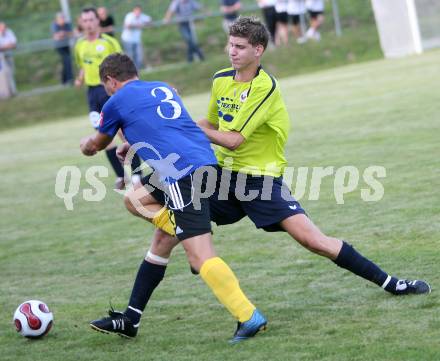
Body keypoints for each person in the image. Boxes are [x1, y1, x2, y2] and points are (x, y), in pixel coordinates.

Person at [115, 16, 431, 342]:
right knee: (143, 206)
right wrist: (148, 135)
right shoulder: (222, 79)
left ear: (258, 50)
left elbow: (234, 139)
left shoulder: (265, 87)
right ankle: (131, 318)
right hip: (218, 176)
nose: (232, 52)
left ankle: (391, 282)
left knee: (313, 241)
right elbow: (207, 121)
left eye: (240, 47)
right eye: (230, 45)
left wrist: (184, 131)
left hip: (259, 181)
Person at [82, 53, 266, 343]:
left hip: (183, 173)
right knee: (136, 201)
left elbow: (98, 142)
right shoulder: (163, 88)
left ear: (110, 80)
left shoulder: (114, 101)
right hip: (200, 164)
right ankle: (131, 319)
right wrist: (131, 142)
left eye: (106, 86)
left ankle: (248, 316)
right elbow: (166, 125)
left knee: (200, 255)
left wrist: (87, 146)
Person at [74, 7, 141, 189]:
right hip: (93, 94)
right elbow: (83, 65)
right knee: (102, 134)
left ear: (98, 21)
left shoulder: (109, 42)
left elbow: (123, 65)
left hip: (110, 91)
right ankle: (121, 176)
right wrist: (80, 78)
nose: (88, 24)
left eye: (91, 20)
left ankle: (137, 175)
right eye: (85, 20)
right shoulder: (79, 45)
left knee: (123, 133)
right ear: (81, 23)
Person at [121, 5, 151, 70]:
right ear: (134, 11)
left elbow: (150, 21)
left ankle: (136, 71)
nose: (138, 13)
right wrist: (137, 25)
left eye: (139, 11)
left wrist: (144, 24)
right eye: (136, 11)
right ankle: (129, 71)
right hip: (127, 39)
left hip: (137, 40)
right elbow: (127, 25)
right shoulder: (129, 16)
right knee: (130, 56)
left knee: (139, 56)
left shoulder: (142, 16)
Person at [51, 12, 74, 85]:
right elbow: (56, 37)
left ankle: (64, 81)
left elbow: (71, 33)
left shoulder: (67, 24)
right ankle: (69, 79)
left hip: (66, 45)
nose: (62, 20)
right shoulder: (54, 25)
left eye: (63, 18)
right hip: (59, 46)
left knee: (66, 62)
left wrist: (63, 34)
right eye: (61, 18)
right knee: (67, 60)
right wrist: (64, 34)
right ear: (57, 19)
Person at [0, 21, 17, 96]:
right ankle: (4, 93)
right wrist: (7, 46)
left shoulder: (9, 32)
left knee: (11, 73)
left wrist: (4, 47)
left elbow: (14, 44)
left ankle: (12, 91)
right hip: (1, 58)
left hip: (9, 55)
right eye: (2, 28)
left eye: (4, 27)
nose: (4, 29)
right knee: (3, 74)